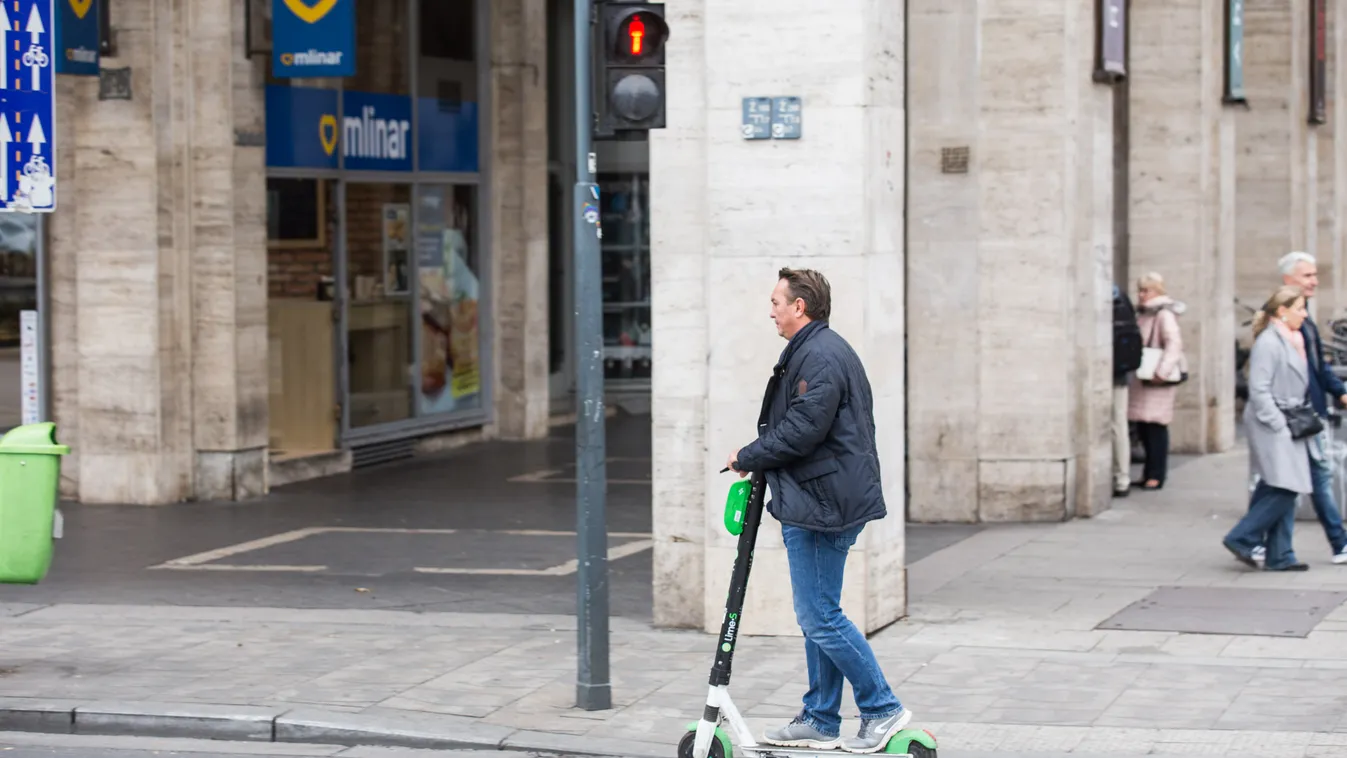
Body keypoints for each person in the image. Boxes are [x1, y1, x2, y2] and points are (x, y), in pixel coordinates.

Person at [725, 268, 911, 755]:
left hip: (823, 502)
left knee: (818, 614)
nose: (770, 311)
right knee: (821, 612)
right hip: (822, 496)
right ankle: (821, 717)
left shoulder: (821, 356)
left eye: (775, 302)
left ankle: (882, 708)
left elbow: (804, 428)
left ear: (799, 307)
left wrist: (747, 455)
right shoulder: (819, 349)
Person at [1248, 252, 1347, 566]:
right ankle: (1335, 542)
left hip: (1305, 415)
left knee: (1284, 483)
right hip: (1294, 418)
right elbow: (1261, 386)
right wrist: (1278, 422)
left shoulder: (1302, 320)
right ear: (1288, 280)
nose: (1314, 281)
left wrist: (1340, 392)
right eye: (1307, 275)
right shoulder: (1282, 328)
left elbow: (1318, 367)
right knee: (1301, 481)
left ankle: (1276, 550)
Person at [1223, 285, 1313, 572]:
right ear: (1282, 311)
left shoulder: (1291, 338)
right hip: (1271, 422)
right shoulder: (1270, 342)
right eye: (1299, 308)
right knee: (1287, 486)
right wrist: (1277, 424)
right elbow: (1259, 390)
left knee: (1275, 484)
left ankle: (1280, 555)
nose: (1305, 314)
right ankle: (1242, 537)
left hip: (1288, 417)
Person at [1128, 273, 1187, 490]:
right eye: (1141, 290)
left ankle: (1156, 473)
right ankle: (1149, 473)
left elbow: (1174, 344)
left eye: (1147, 290)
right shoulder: (1144, 313)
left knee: (1155, 427)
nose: (1142, 295)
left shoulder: (1163, 314)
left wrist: (1162, 371)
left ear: (1157, 291)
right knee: (1144, 426)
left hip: (1156, 378)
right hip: (1144, 376)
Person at [1113, 284, 1144, 496]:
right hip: (1120, 371)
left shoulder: (1108, 296)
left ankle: (1119, 475)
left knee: (1115, 424)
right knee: (1118, 424)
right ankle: (1122, 477)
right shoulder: (1120, 296)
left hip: (1106, 369)